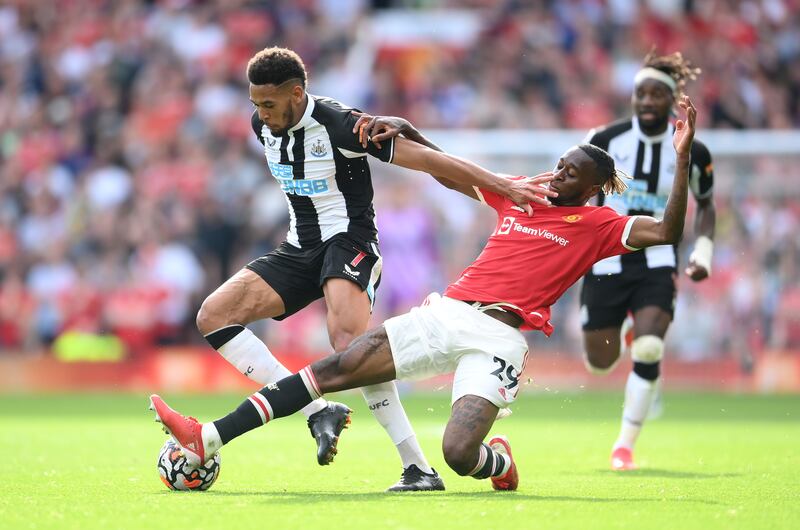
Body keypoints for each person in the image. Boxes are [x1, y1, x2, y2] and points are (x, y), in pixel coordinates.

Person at [149, 96, 695, 492]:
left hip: (500, 338)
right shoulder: (523, 196)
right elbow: (452, 176)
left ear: (593, 187)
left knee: (459, 455)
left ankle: (494, 463)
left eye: (570, 172)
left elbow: (668, 232)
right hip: (448, 312)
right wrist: (408, 131)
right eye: (559, 164)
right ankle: (210, 435)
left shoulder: (599, 223)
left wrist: (683, 159)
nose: (556, 175)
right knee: (335, 367)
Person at [194, 46, 552, 491]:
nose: (261, 113)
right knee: (213, 315)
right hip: (299, 246)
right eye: (255, 104)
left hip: (350, 242)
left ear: (297, 93)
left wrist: (501, 184)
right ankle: (317, 411)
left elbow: (424, 160)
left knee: (350, 344)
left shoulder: (342, 123)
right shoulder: (263, 125)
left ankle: (417, 467)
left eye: (269, 104)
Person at [579, 52, 715, 470]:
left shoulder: (692, 146)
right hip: (606, 259)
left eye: (658, 94)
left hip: (657, 258)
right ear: (633, 97)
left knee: (652, 345)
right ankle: (623, 330)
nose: (648, 101)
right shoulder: (605, 139)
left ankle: (624, 445)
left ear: (672, 99)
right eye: (642, 93)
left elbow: (706, 204)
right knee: (599, 363)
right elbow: (577, 191)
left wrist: (702, 251)